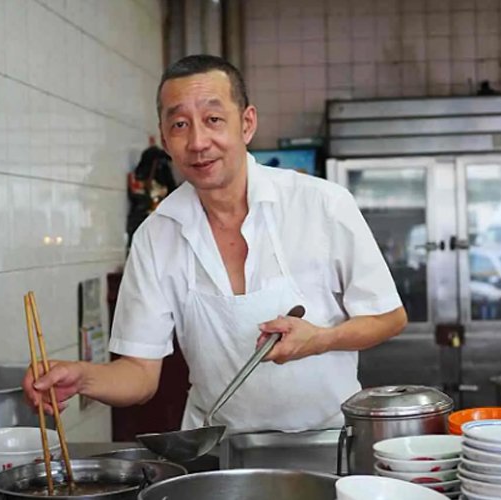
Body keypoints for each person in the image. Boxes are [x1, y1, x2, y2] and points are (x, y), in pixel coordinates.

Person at [23, 54, 408, 434]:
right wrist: (82, 377)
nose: (198, 142)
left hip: (326, 444)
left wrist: (322, 339)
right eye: (179, 124)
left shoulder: (322, 204)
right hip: (217, 452)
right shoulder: (157, 235)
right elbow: (140, 374)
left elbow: (389, 317)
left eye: (213, 120)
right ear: (164, 135)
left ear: (246, 123)